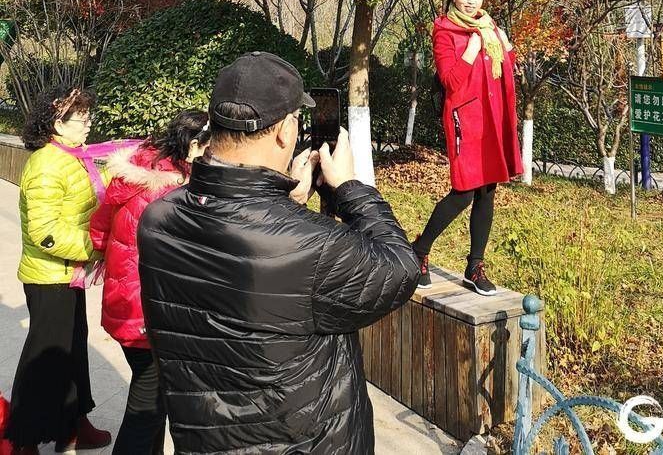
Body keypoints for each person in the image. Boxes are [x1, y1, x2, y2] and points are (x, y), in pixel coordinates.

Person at [137, 51, 420, 455]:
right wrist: (351, 189)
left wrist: (286, 204)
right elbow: (400, 269)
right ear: (286, 132)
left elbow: (247, 288)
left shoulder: (157, 219)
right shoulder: (310, 245)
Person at [89, 110, 210, 455]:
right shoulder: (172, 194)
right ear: (193, 146)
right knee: (146, 410)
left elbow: (98, 231)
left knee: (151, 404)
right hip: (147, 313)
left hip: (124, 303)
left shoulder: (137, 173)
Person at [7, 87, 113, 455]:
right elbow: (45, 233)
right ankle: (23, 439)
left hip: (71, 275)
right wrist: (96, 247)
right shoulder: (46, 165)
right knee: (45, 361)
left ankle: (73, 426)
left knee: (73, 353)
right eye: (80, 119)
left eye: (88, 116)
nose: (88, 125)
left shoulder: (74, 157)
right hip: (49, 277)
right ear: (56, 123)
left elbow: (92, 197)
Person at [413, 0, 522, 296]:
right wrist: (472, 48)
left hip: (493, 118)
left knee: (488, 190)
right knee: (464, 189)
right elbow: (451, 81)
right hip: (466, 119)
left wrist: (505, 45)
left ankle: (475, 266)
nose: (472, 0)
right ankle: (419, 249)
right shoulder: (445, 31)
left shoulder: (491, 30)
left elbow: (506, 70)